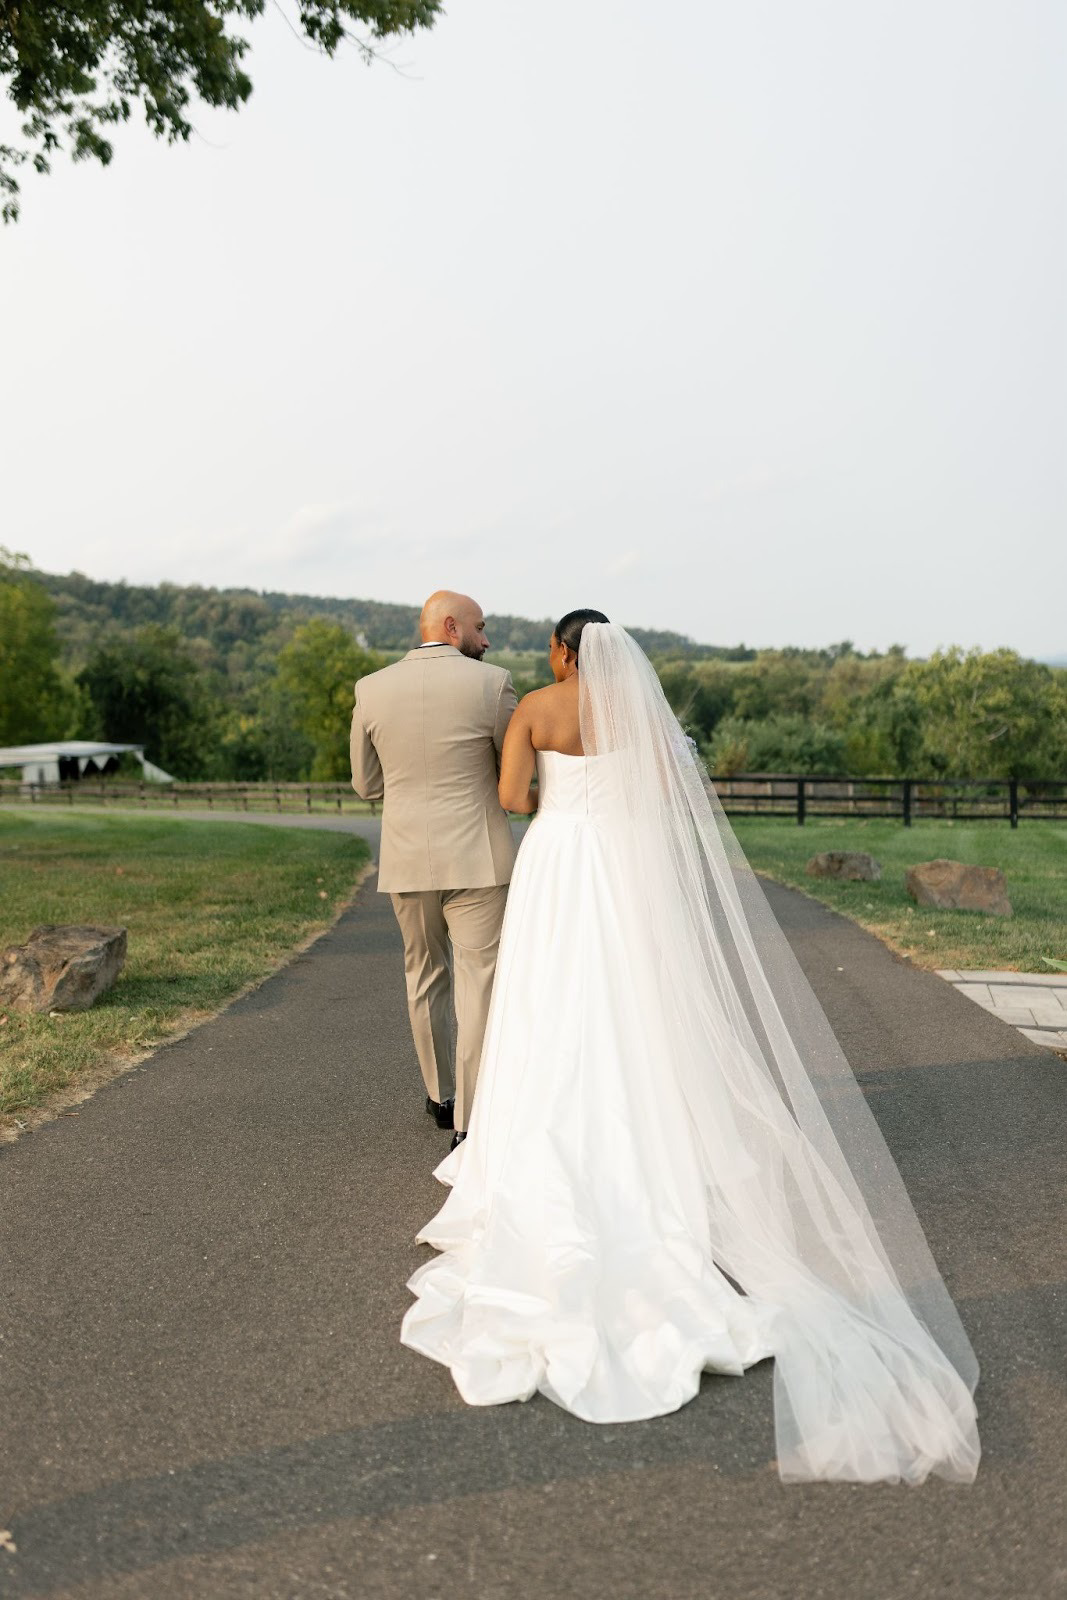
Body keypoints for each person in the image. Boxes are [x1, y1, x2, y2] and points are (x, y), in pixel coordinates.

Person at [400, 611, 981, 1485]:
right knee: (635, 998)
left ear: (562, 652)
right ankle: (646, 1129)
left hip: (561, 864)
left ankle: (546, 1124)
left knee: (553, 997)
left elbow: (516, 800)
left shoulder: (536, 711)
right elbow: (671, 798)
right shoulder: (644, 716)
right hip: (626, 869)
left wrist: (535, 772)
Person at [350, 590, 517, 1142]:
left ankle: (440, 1096)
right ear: (451, 626)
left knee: (424, 975)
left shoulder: (370, 689)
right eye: (480, 627)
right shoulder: (492, 684)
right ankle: (470, 1121)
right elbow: (510, 770)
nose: (487, 640)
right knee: (478, 984)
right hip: (477, 859)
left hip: (406, 859)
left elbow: (365, 784)